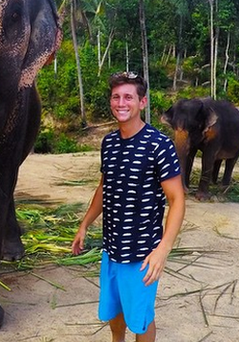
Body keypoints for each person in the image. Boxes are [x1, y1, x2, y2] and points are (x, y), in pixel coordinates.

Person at [72, 72, 186, 342]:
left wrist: (163, 250)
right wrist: (84, 224)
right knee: (115, 313)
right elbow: (104, 187)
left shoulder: (160, 145)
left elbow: (177, 199)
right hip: (111, 249)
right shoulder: (109, 143)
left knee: (141, 321)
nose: (121, 103)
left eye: (128, 97)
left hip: (143, 254)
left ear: (142, 102)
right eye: (116, 97)